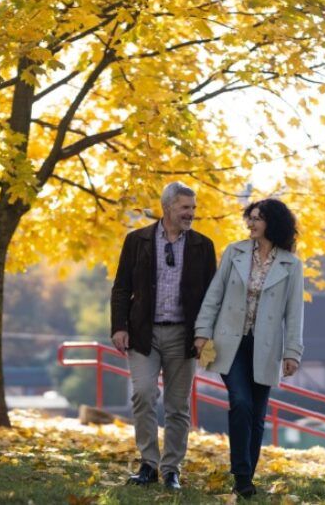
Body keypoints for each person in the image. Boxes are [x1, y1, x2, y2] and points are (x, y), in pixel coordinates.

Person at [194, 199, 304, 499]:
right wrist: (202, 332)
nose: (251, 223)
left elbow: (294, 313)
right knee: (241, 401)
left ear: (273, 223)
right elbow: (214, 293)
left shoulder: (291, 265)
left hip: (266, 347)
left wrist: (293, 352)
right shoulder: (235, 251)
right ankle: (241, 473)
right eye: (250, 217)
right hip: (230, 342)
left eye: (257, 218)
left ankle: (246, 479)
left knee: (256, 415)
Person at [110, 181, 217, 491]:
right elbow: (121, 288)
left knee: (177, 406)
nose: (191, 214)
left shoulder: (202, 245)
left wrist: (204, 334)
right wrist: (119, 327)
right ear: (167, 207)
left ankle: (171, 469)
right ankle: (148, 464)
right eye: (185, 207)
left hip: (185, 337)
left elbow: (212, 296)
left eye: (193, 208)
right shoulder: (137, 240)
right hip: (144, 334)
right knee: (143, 393)